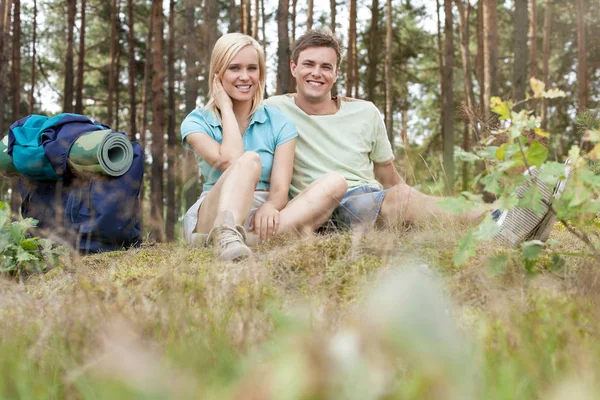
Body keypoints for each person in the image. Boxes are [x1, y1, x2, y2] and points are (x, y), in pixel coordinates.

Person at [264, 30, 485, 232]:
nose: (316, 73)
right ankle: (493, 219)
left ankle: (491, 218)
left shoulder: (365, 111)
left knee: (402, 198)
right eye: (308, 64)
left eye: (326, 67)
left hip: (369, 197)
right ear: (294, 68)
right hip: (326, 207)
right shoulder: (275, 109)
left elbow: (387, 176)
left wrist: (412, 199)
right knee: (400, 200)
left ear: (336, 73)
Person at [181, 33, 347, 261]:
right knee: (249, 161)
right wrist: (227, 110)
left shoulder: (279, 122)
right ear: (218, 74)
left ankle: (245, 242)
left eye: (252, 68)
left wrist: (271, 206)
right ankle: (225, 234)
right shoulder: (196, 122)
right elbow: (230, 160)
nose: (244, 77)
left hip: (262, 218)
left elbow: (280, 190)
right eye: (234, 68)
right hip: (215, 209)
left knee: (335, 183)